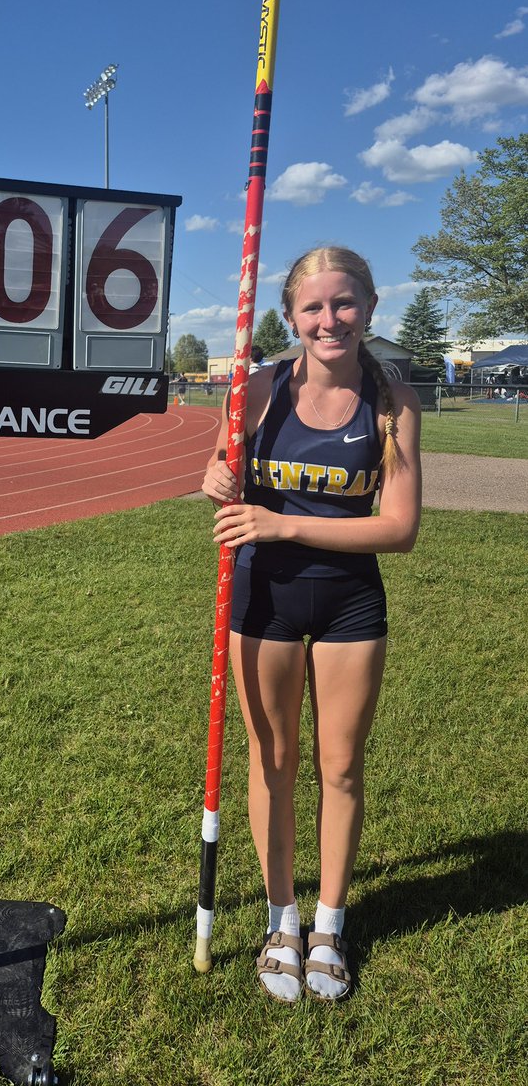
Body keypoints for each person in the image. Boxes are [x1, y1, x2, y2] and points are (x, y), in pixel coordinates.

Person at [201, 247, 422, 1003]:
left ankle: (329, 924)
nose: (330, 320)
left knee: (341, 766)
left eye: (344, 303)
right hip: (263, 600)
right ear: (291, 316)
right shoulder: (258, 390)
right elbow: (223, 480)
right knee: (273, 760)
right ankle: (281, 920)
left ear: (368, 305)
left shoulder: (393, 404)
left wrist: (285, 525)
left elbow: (398, 530)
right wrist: (215, 481)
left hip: (350, 603)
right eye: (314, 308)